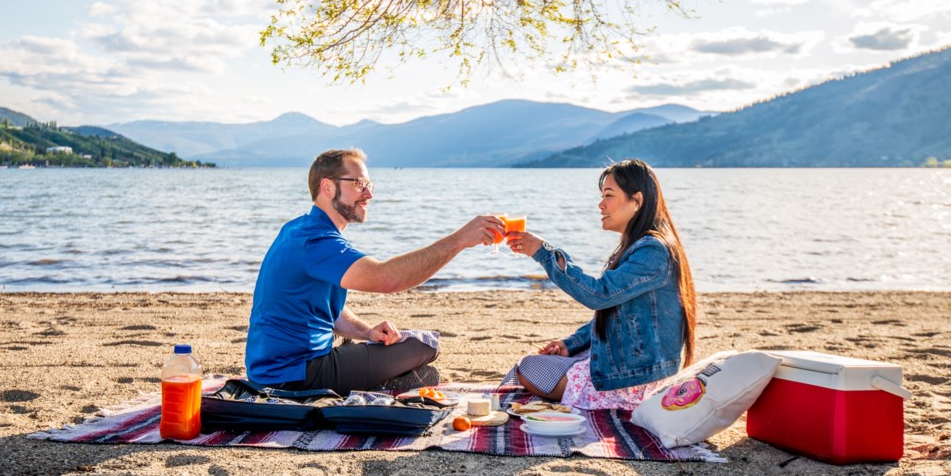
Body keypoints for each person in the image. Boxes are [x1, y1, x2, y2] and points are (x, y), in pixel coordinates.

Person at [245, 148, 504, 395]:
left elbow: (321, 306)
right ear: (327, 187)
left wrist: (366, 332)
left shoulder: (298, 229)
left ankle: (379, 380)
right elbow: (386, 278)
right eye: (358, 183)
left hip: (273, 371)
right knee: (427, 344)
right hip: (295, 376)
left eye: (369, 184)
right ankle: (377, 385)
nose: (368, 194)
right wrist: (459, 240)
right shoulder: (316, 240)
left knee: (407, 349)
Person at [502, 159, 696, 410]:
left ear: (637, 201)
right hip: (633, 366)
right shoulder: (641, 247)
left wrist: (543, 252)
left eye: (608, 195)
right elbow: (616, 316)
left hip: (636, 381)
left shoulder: (653, 250)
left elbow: (599, 295)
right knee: (536, 363)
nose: (601, 204)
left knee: (529, 367)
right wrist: (569, 344)